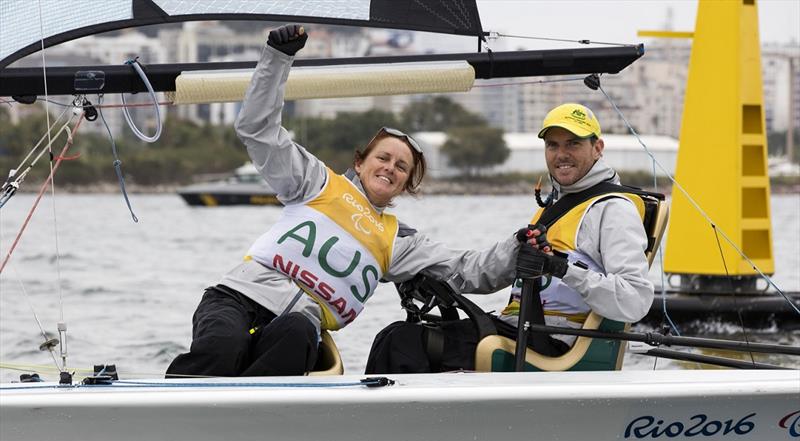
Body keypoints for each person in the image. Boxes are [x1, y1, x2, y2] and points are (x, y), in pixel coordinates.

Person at [166, 24, 532, 378]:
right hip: (238, 299)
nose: (390, 168)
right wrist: (277, 58)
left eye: (402, 167)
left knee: (295, 332)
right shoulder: (315, 182)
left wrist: (518, 249)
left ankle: (242, 420)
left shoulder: (399, 241)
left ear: (405, 185)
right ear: (360, 162)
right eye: (383, 158)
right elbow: (257, 130)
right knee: (221, 348)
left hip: (296, 327)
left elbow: (466, 270)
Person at [366, 102, 654, 373]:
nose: (561, 154)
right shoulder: (557, 206)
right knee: (393, 335)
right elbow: (486, 276)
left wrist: (561, 269)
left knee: (403, 344)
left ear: (598, 148)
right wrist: (421, 268)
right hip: (518, 329)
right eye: (553, 145)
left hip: (552, 344)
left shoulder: (613, 210)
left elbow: (635, 300)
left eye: (573, 144)